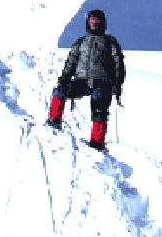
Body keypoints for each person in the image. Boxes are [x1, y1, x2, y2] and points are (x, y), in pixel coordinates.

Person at [45, 9, 125, 150]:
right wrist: (64, 79)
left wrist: (117, 85)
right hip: (81, 81)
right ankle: (54, 121)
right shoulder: (80, 42)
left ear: (102, 22)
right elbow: (71, 63)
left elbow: (118, 64)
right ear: (88, 22)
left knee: (99, 107)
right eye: (92, 20)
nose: (94, 23)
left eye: (97, 20)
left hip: (102, 82)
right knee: (59, 91)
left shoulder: (110, 42)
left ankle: (97, 142)